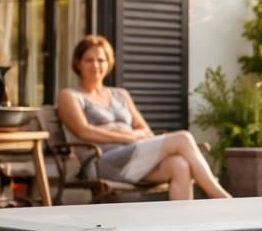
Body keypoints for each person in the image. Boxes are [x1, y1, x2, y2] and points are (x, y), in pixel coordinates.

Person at [55, 35, 232, 201]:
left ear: (109, 63)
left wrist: (119, 132)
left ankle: (181, 228)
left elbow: (145, 130)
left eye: (101, 60)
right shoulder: (70, 96)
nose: (95, 65)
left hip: (134, 158)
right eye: (89, 60)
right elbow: (84, 132)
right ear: (78, 63)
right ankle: (219, 196)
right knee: (183, 137)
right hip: (102, 162)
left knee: (179, 164)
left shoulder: (120, 94)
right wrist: (128, 135)